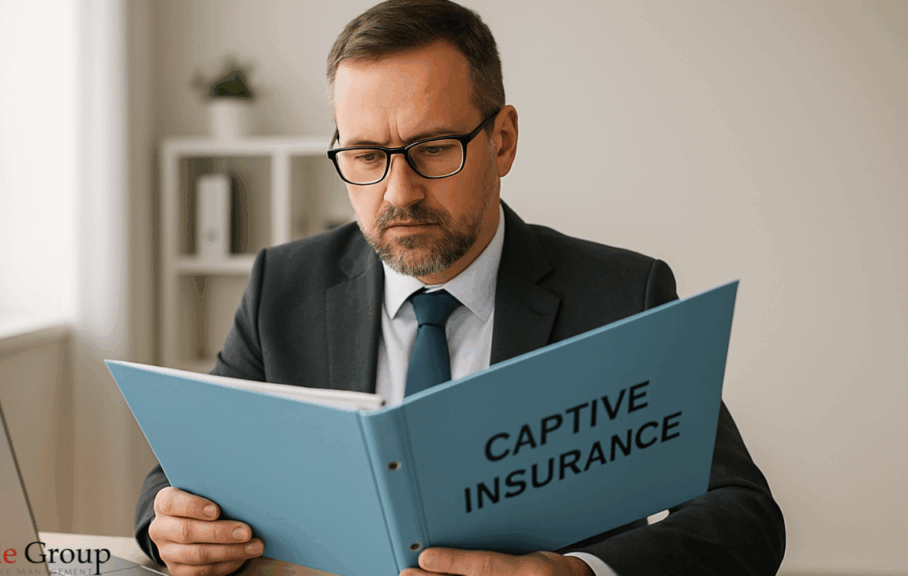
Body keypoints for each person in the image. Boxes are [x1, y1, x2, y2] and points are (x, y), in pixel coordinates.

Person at [134, 1, 786, 575]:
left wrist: (578, 573)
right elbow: (185, 473)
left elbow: (743, 516)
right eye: (365, 156)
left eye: (434, 147)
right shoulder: (285, 284)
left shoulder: (622, 294)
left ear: (502, 141)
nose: (398, 192)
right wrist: (171, 527)